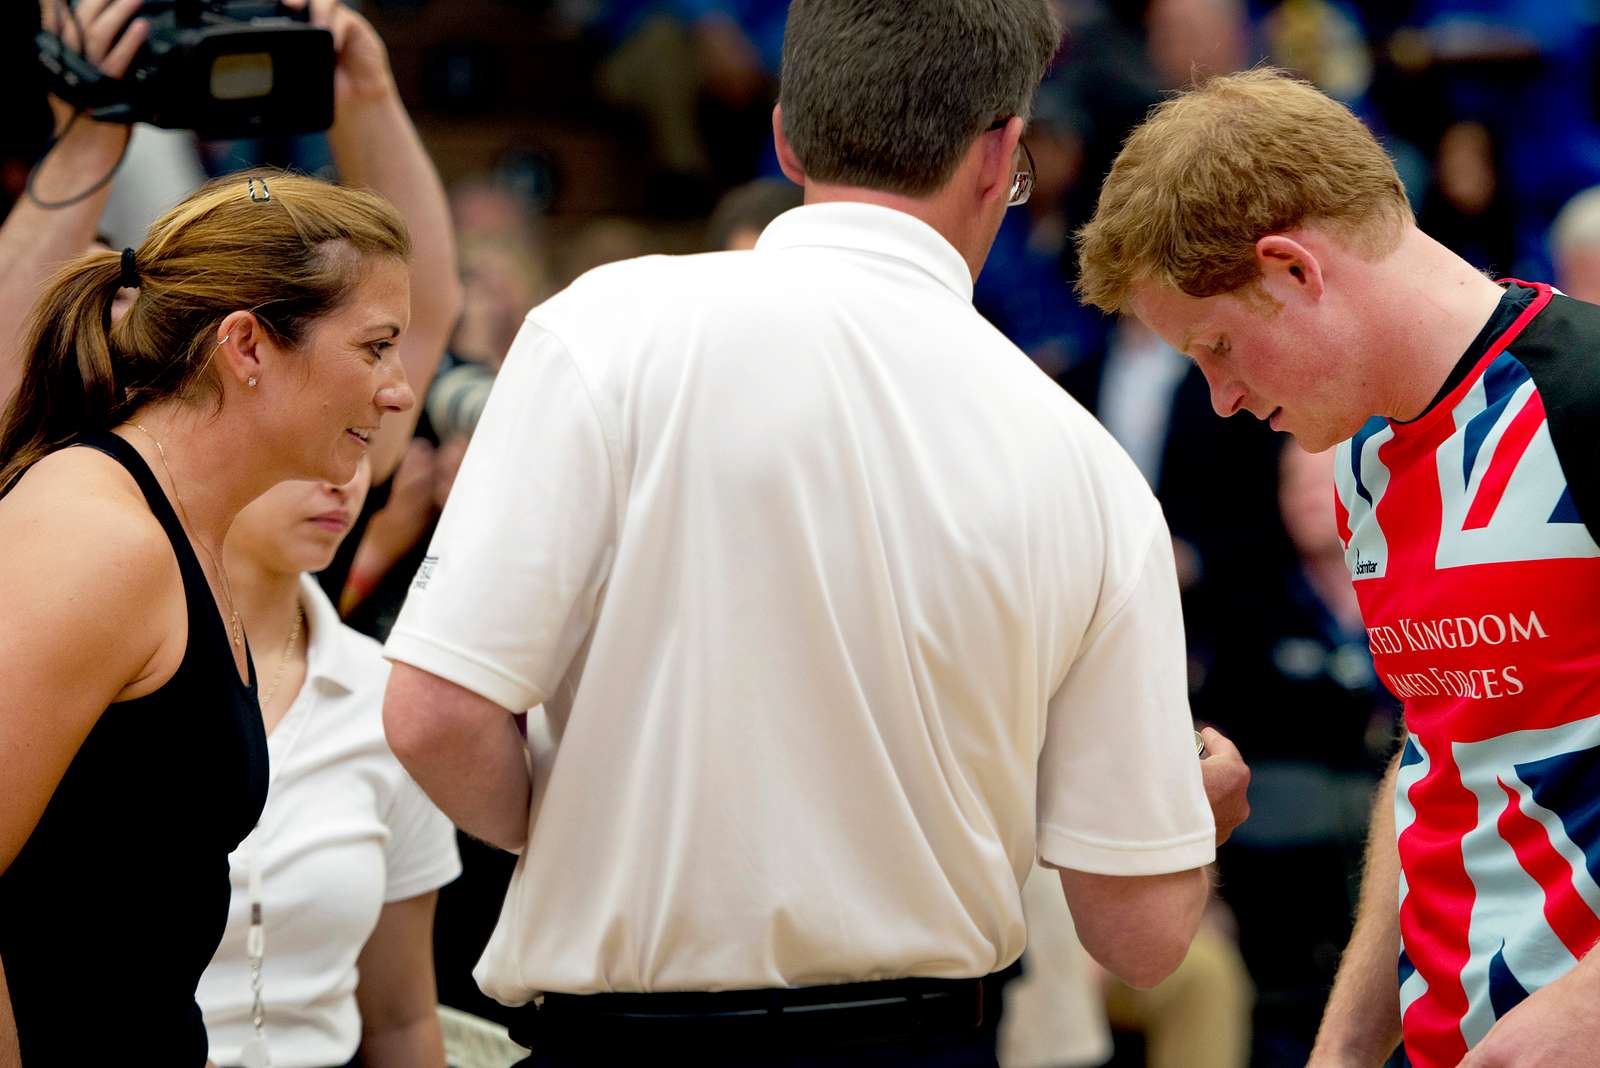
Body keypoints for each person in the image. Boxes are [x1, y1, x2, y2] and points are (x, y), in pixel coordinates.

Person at [383, 2, 1250, 1066]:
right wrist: (1182, 821)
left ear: (788, 136)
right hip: (921, 1044)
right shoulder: (1088, 467)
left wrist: (593, 823)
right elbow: (1142, 934)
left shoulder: (599, 331)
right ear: (1000, 156)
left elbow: (431, 715)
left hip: (617, 1039)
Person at [1076, 67, 1600, 1068]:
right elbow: (1436, 764)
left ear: (1293, 271)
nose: (1221, 398)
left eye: (1219, 347)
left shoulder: (1581, 398)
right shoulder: (1361, 460)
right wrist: (1347, 1046)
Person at [0, 168, 414, 1066]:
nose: (399, 392)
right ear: (248, 346)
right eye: (376, 347)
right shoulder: (95, 536)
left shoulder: (180, 532)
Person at [196, 463, 461, 1068]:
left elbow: (402, 1018)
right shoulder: (107, 674)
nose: (343, 479)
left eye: (361, 443)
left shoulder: (386, 698)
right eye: (311, 444)